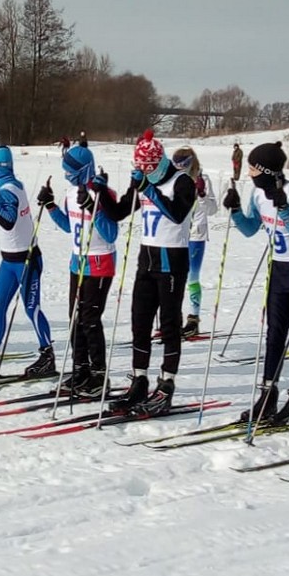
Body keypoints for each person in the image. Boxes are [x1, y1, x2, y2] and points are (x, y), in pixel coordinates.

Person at [96, 129, 196, 415]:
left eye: (147, 168)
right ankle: (139, 378)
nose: (142, 173)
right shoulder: (142, 181)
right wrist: (101, 191)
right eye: (138, 168)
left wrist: (149, 188)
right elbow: (118, 212)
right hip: (147, 259)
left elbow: (177, 214)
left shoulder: (182, 181)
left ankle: (167, 383)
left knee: (168, 323)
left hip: (172, 260)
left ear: (158, 164)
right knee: (139, 321)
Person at [224, 142, 289, 425]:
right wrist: (236, 211)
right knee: (274, 334)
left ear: (266, 170)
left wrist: (286, 212)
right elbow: (252, 229)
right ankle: (268, 395)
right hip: (278, 270)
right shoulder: (257, 193)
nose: (250, 173)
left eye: (253, 168)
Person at [0, 145, 56, 380]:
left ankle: (48, 356)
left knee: (31, 308)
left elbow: (8, 220)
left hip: (27, 260)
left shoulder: (8, 189)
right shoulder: (11, 184)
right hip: (9, 260)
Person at [40, 145, 120, 397]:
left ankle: (99, 375)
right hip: (77, 262)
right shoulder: (70, 193)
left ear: (85, 169)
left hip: (100, 262)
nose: (67, 175)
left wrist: (93, 208)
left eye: (71, 171)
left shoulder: (105, 193)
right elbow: (68, 225)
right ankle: (81, 369)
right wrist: (51, 206)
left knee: (90, 320)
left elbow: (111, 233)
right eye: (65, 170)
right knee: (75, 318)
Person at [171, 146, 217, 339]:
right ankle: (171, 318)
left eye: (183, 165)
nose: (180, 168)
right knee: (171, 278)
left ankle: (193, 319)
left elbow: (212, 209)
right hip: (175, 235)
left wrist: (203, 195)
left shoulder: (202, 179)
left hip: (195, 236)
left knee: (192, 278)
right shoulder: (172, 179)